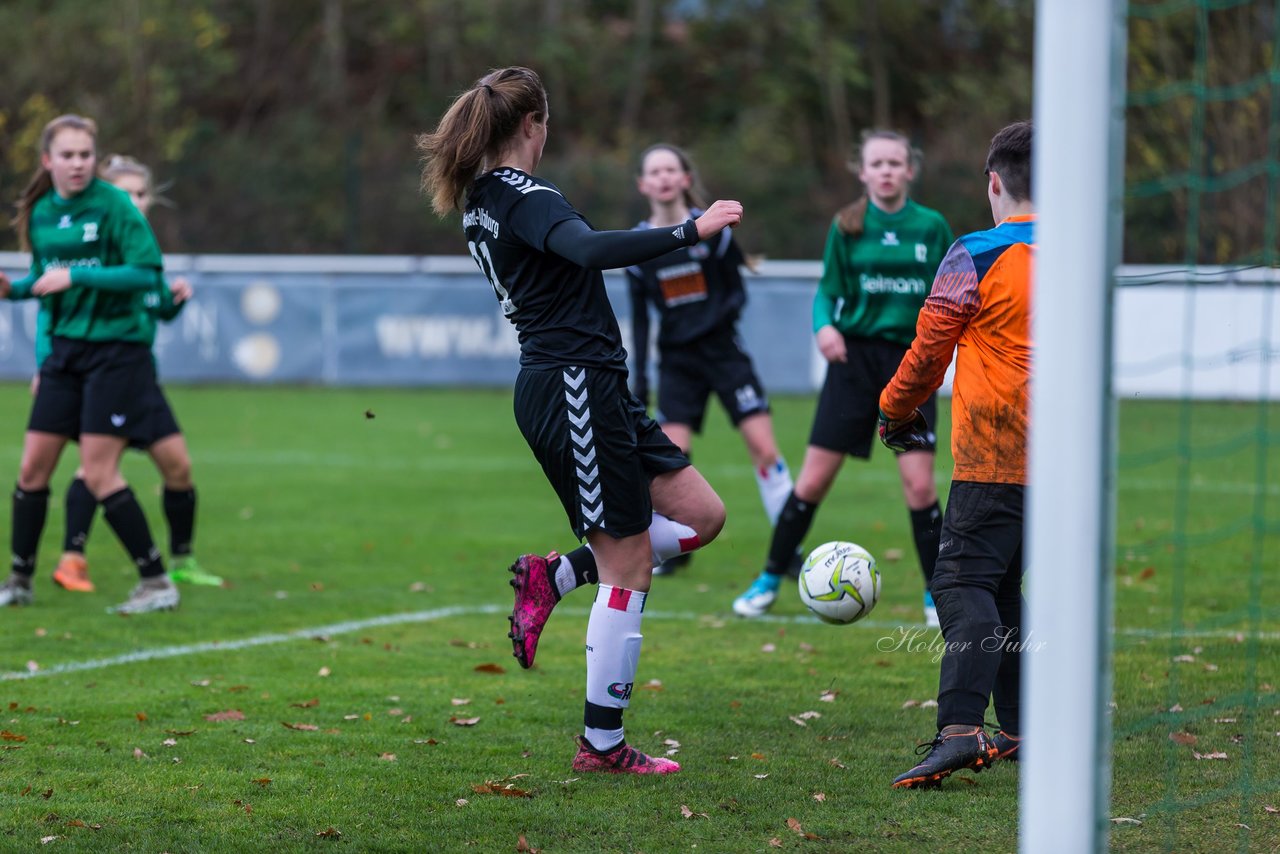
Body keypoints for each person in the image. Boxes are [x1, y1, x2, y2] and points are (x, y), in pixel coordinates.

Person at [418, 67, 737, 775]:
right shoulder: (519, 195)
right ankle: (603, 745)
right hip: (571, 389)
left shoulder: (483, 197)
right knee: (631, 564)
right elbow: (590, 251)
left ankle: (557, 577)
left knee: (702, 517)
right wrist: (690, 228)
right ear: (534, 124)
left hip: (596, 387)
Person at [732, 130, 953, 624]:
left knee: (919, 488)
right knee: (812, 481)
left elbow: (948, 293)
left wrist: (939, 351)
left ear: (909, 170)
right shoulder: (847, 225)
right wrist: (824, 326)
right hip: (852, 367)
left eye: (895, 162)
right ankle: (769, 578)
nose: (887, 171)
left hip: (911, 365)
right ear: (863, 172)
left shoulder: (932, 226)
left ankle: (937, 593)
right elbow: (827, 292)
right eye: (878, 163)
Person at [878, 120, 1034, 788]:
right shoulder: (1083, 257)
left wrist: (891, 411)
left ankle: (960, 731)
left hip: (996, 455)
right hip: (1069, 464)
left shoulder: (975, 253)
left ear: (993, 182)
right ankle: (1024, 727)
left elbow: (927, 356)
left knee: (961, 582)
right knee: (1003, 591)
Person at [0, 114, 179, 614]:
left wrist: (77, 277)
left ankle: (157, 581)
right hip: (65, 351)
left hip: (115, 354)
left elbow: (146, 274)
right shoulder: (40, 212)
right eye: (67, 155)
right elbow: (43, 278)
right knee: (33, 468)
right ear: (47, 160)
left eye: (84, 155)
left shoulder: (116, 205)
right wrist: (13, 290)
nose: (77, 164)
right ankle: (19, 579)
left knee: (99, 473)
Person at [45, 155, 221, 592]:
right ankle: (73, 559)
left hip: (141, 377)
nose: (136, 202)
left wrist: (173, 300)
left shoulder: (142, 247)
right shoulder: (98, 250)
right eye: (125, 193)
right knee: (96, 469)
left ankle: (182, 560)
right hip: (109, 373)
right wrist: (44, 364)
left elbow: (154, 308)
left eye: (142, 194)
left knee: (178, 467)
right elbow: (62, 314)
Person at [626, 144, 792, 574]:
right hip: (678, 364)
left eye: (671, 169)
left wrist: (707, 322)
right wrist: (639, 382)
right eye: (654, 171)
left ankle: (787, 550)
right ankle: (677, 552)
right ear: (643, 185)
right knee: (673, 455)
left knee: (763, 448)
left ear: (684, 178)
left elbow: (736, 292)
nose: (663, 177)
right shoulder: (638, 247)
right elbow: (641, 323)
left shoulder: (711, 230)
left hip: (724, 354)